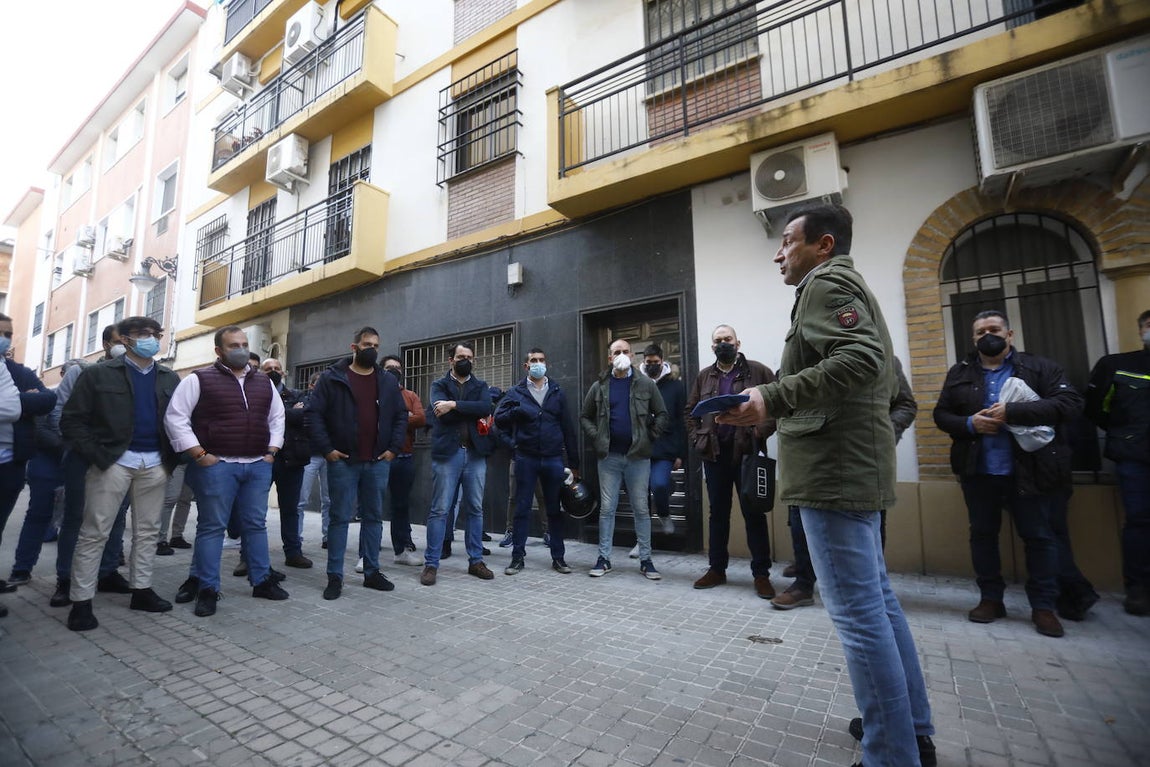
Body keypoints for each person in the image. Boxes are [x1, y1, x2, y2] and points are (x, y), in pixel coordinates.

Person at [719, 203, 935, 767]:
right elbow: (875, 370)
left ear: (823, 244)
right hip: (850, 465)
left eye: (787, 240)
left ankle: (892, 754)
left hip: (833, 471)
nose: (778, 251)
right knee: (879, 604)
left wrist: (772, 395)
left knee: (859, 614)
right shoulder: (850, 286)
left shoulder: (827, 282)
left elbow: (863, 361)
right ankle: (910, 729)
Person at [933, 310, 1084, 638]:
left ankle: (1043, 606)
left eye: (994, 329)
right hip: (979, 470)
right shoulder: (960, 372)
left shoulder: (1039, 367)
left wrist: (1013, 411)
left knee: (1039, 537)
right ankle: (990, 599)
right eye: (980, 331)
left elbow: (1070, 405)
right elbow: (942, 415)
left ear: (1009, 334)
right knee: (983, 536)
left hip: (1029, 471)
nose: (987, 335)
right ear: (973, 339)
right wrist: (971, 423)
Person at [59, 316, 181, 631]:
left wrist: (173, 458)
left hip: (155, 464)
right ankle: (81, 602)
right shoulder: (98, 375)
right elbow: (72, 421)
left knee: (148, 532)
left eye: (156, 334)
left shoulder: (169, 378)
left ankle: (141, 590)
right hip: (113, 462)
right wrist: (100, 457)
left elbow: (180, 421)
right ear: (125, 339)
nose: (152, 339)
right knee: (95, 531)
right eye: (143, 334)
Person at [773, 356, 916, 610]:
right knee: (800, 521)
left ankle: (873, 589)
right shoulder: (800, 358)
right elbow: (782, 402)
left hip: (862, 461)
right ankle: (804, 584)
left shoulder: (881, 359)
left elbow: (905, 404)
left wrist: (882, 434)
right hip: (809, 461)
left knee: (869, 525)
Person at [164, 326, 288, 617]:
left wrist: (271, 452)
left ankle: (261, 580)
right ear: (219, 351)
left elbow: (277, 417)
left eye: (244, 344)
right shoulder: (199, 379)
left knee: (256, 525)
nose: (241, 349)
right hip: (217, 467)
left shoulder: (263, 382)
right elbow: (176, 418)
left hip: (257, 465)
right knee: (212, 527)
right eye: (234, 345)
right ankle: (207, 588)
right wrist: (200, 454)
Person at [306, 327, 407, 600]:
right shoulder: (332, 378)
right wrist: (327, 449)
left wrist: (393, 449)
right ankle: (335, 577)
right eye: (366, 344)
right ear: (354, 347)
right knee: (340, 519)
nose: (371, 349)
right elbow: (313, 415)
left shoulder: (386, 380)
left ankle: (372, 572)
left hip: (377, 462)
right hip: (343, 462)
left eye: (375, 344)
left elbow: (400, 416)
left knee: (373, 518)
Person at [685, 326, 777, 597]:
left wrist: (761, 430)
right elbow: (690, 411)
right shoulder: (704, 376)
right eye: (718, 341)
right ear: (712, 346)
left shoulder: (757, 371)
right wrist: (696, 438)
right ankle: (716, 569)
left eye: (727, 339)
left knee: (754, 515)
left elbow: (777, 406)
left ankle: (761, 574)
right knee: (718, 515)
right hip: (714, 455)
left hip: (747, 454)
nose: (723, 344)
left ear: (738, 342)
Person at [581, 338, 669, 580]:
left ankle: (646, 560)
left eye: (625, 351)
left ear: (632, 356)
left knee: (641, 508)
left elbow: (662, 414)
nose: (621, 355)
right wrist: (597, 437)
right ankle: (604, 558)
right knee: (607, 509)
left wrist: (649, 437)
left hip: (638, 457)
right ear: (610, 358)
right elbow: (585, 416)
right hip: (609, 458)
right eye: (616, 352)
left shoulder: (646, 385)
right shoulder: (599, 386)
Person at [1085, 309, 1150, 615]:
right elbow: (1095, 409)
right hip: (1134, 458)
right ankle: (1138, 588)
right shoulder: (1120, 365)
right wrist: (1126, 436)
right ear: (1140, 330)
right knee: (1139, 521)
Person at [494, 347, 581, 575]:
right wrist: (516, 413)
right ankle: (517, 557)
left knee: (554, 509)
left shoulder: (557, 391)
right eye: (533, 360)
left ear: (547, 364)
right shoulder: (516, 392)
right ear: (526, 366)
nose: (538, 363)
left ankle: (559, 558)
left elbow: (568, 428)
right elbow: (499, 420)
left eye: (541, 360)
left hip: (553, 458)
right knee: (522, 508)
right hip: (526, 457)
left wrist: (574, 463)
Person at [421, 341, 496, 585]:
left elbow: (486, 406)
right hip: (448, 455)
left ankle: (475, 561)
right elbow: (439, 413)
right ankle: (431, 564)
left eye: (470, 357)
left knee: (475, 508)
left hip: (474, 455)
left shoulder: (480, 385)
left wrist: (453, 404)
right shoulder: (438, 384)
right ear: (451, 360)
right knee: (440, 510)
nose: (466, 360)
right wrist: (467, 410)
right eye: (461, 356)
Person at [0, 312, 57, 617]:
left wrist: (13, 402)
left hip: (10, 463)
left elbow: (46, 399)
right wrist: (22, 402)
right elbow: (32, 404)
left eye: (8, 333)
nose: (5, 339)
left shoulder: (15, 371)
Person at [632, 344, 686, 555]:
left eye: (656, 362)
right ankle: (642, 542)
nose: (652, 365)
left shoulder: (675, 385)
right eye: (649, 362)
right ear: (643, 361)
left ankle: (664, 514)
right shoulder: (636, 382)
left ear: (663, 360)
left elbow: (682, 419)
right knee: (640, 496)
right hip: (639, 448)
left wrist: (681, 453)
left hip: (665, 447)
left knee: (660, 485)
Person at [261, 358, 314, 569]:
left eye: (276, 368)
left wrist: (276, 414)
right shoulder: (256, 394)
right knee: (255, 510)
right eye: (268, 369)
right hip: (263, 458)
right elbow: (258, 418)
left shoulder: (298, 394)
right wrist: (290, 412)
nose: (273, 371)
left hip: (292, 459)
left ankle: (293, 553)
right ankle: (247, 557)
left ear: (283, 372)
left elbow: (305, 416)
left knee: (290, 509)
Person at [381, 355, 426, 567]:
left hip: (404, 458)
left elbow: (421, 418)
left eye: (397, 368)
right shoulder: (374, 392)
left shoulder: (409, 395)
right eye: (390, 367)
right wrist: (402, 417)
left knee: (401, 505)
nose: (394, 370)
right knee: (371, 506)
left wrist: (393, 417)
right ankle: (366, 554)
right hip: (378, 459)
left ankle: (401, 551)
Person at [297, 371, 332, 549]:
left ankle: (329, 537)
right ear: (311, 385)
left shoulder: (334, 402)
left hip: (329, 455)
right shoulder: (303, 401)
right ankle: (296, 539)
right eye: (319, 382)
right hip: (309, 455)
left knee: (329, 500)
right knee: (301, 499)